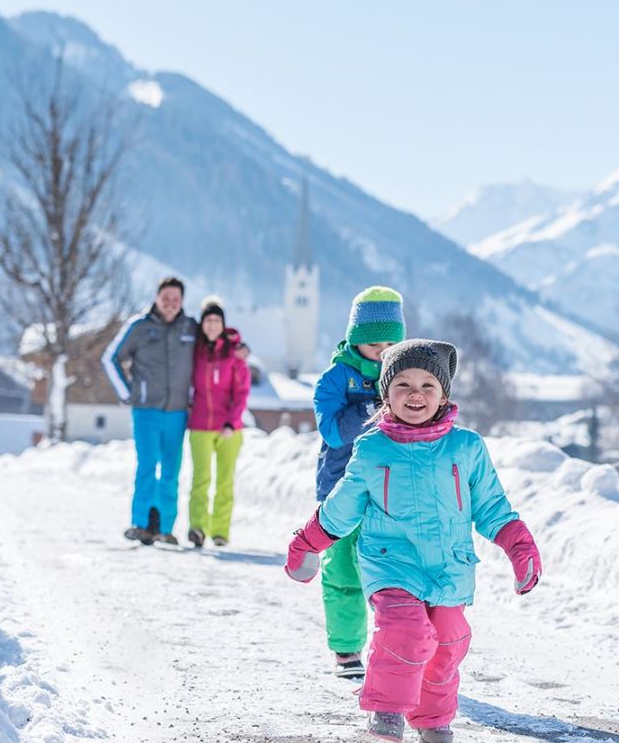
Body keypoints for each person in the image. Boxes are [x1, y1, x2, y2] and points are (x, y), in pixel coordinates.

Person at [285, 340, 542, 743]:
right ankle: (386, 711)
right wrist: (307, 543)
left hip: (449, 566)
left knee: (450, 640)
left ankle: (432, 717)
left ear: (443, 395)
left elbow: (492, 506)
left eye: (427, 384)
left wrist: (520, 547)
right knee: (406, 630)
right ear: (385, 395)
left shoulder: (466, 447)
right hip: (391, 563)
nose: (415, 393)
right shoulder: (372, 448)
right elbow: (342, 506)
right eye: (402, 384)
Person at [312, 286, 406, 678]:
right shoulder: (335, 379)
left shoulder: (405, 376)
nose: (382, 351)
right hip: (340, 488)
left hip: (391, 489)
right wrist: (373, 408)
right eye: (373, 342)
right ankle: (348, 649)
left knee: (396, 573)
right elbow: (333, 433)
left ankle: (398, 649)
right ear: (356, 339)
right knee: (344, 570)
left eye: (391, 343)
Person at [101, 276, 198, 546]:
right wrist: (126, 393)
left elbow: (213, 348)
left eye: (175, 299)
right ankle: (141, 523)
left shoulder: (190, 328)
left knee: (171, 470)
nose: (170, 303)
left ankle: (165, 528)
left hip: (177, 412)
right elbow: (110, 358)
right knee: (146, 466)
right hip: (146, 411)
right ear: (157, 298)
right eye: (165, 298)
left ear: (181, 302)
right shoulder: (139, 327)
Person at [187, 296, 252, 548]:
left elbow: (242, 391)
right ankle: (197, 528)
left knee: (225, 481)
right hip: (200, 425)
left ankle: (220, 532)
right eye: (208, 320)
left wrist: (231, 422)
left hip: (229, 429)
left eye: (217, 320)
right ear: (202, 324)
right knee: (200, 480)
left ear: (223, 324)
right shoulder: (195, 351)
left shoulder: (234, 355)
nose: (212, 325)